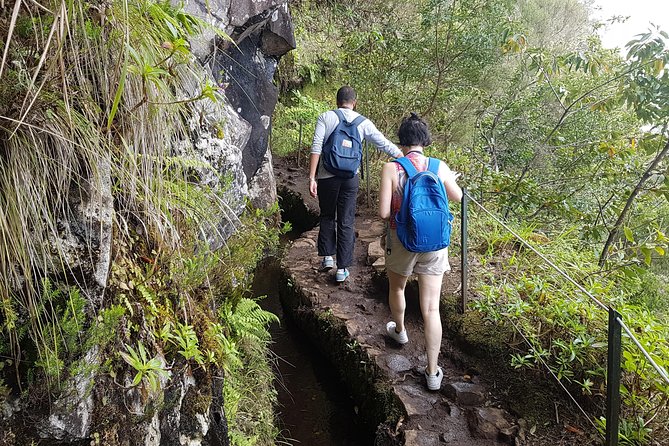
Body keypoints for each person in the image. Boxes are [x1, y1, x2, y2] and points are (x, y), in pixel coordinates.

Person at [378, 113, 462, 390]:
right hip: (435, 242)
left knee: (398, 288)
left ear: (402, 140)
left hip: (401, 238)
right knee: (430, 308)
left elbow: (383, 212)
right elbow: (459, 197)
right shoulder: (439, 166)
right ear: (425, 140)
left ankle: (400, 332)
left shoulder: (392, 168)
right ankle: (432, 371)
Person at [309, 86, 403, 282]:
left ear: (337, 101)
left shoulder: (326, 117)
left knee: (327, 215)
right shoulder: (363, 122)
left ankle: (327, 257)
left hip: (327, 176)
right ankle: (342, 269)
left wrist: (312, 177)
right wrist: (403, 156)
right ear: (355, 102)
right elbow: (382, 142)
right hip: (350, 178)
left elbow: (316, 146)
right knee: (346, 220)